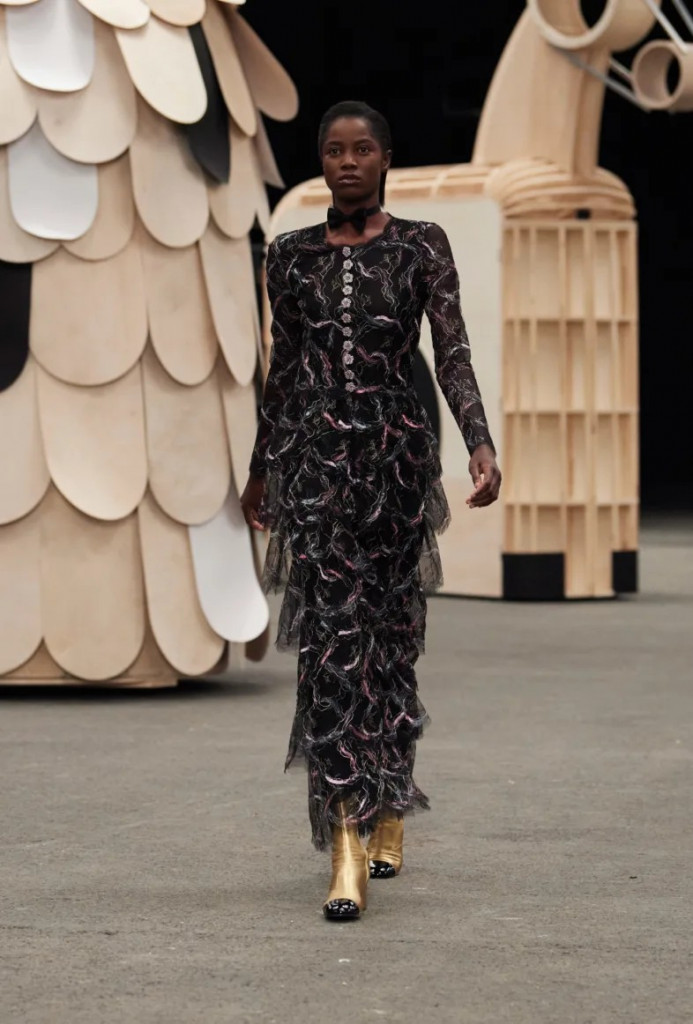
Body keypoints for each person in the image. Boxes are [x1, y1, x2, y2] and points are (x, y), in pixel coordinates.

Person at [241, 100, 501, 921]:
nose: (347, 161)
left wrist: (479, 443)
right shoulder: (289, 256)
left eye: (361, 149)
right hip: (316, 473)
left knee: (386, 647)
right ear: (320, 161)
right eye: (333, 150)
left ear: (386, 158)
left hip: (393, 471)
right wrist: (260, 470)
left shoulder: (422, 245)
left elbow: (451, 352)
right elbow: (284, 373)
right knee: (329, 655)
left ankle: (391, 805)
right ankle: (346, 843)